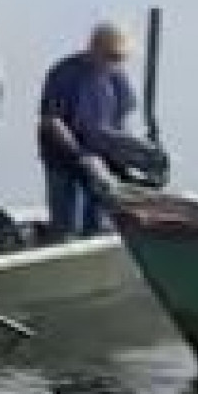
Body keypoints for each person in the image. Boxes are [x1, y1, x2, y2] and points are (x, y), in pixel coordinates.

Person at [38, 22, 138, 238]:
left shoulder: (118, 78)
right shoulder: (64, 73)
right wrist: (80, 156)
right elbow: (52, 120)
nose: (114, 62)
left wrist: (125, 157)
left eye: (119, 58)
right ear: (93, 47)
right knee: (66, 225)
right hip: (64, 159)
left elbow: (121, 122)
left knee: (100, 222)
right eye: (110, 56)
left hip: (101, 160)